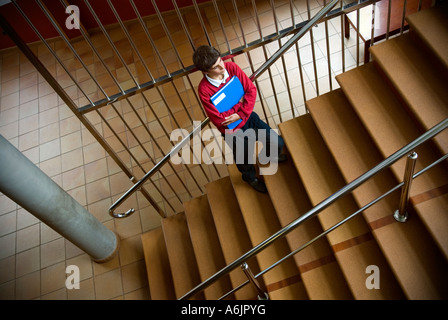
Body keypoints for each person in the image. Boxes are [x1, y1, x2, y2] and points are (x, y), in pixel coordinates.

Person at [192, 45, 286, 193]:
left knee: (277, 142)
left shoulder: (232, 68)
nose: (222, 67)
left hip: (247, 118)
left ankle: (266, 157)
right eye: (216, 67)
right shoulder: (204, 89)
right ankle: (250, 178)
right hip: (232, 130)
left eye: (221, 61)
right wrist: (241, 107)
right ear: (205, 71)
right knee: (244, 158)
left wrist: (240, 114)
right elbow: (219, 119)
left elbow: (251, 90)